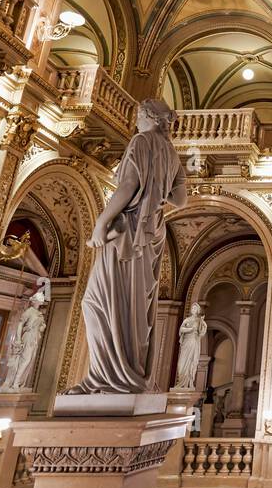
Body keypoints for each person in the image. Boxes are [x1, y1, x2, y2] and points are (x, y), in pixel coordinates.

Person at [67, 98, 187, 394]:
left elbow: (127, 186)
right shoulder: (171, 153)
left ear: (147, 116)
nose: (135, 119)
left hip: (127, 231)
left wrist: (101, 223)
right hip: (151, 234)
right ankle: (128, 374)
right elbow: (181, 199)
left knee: (97, 302)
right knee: (134, 305)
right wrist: (157, 191)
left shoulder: (141, 141)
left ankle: (105, 378)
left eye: (137, 114)